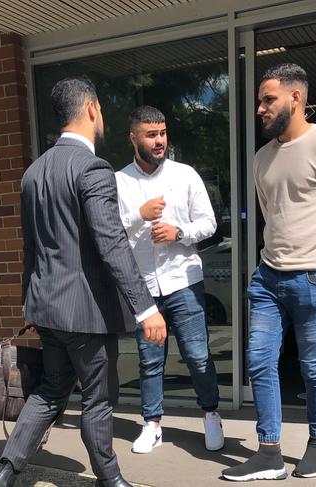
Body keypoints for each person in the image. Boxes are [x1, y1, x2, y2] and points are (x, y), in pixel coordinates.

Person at [0, 77, 167, 487]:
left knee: (51, 391)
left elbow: (30, 248)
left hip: (48, 310)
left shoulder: (33, 173)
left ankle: (6, 470)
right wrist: (147, 308)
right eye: (101, 109)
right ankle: (110, 478)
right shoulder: (93, 168)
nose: (101, 116)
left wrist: (29, 305)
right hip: (86, 314)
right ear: (91, 109)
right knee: (99, 399)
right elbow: (112, 243)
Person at [222, 63, 316, 481]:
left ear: (295, 98)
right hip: (269, 276)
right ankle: (268, 452)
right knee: (260, 363)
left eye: (269, 100)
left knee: (313, 366)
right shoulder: (261, 158)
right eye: (260, 102)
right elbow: (272, 215)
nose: (261, 109)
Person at [115, 105, 224, 454]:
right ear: (134, 138)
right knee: (150, 358)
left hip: (183, 280)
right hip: (144, 285)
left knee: (197, 355)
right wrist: (139, 216)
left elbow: (209, 223)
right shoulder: (120, 182)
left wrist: (178, 232)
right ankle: (152, 424)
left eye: (162, 133)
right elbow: (111, 232)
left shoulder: (185, 175)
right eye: (151, 134)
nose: (159, 140)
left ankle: (210, 414)